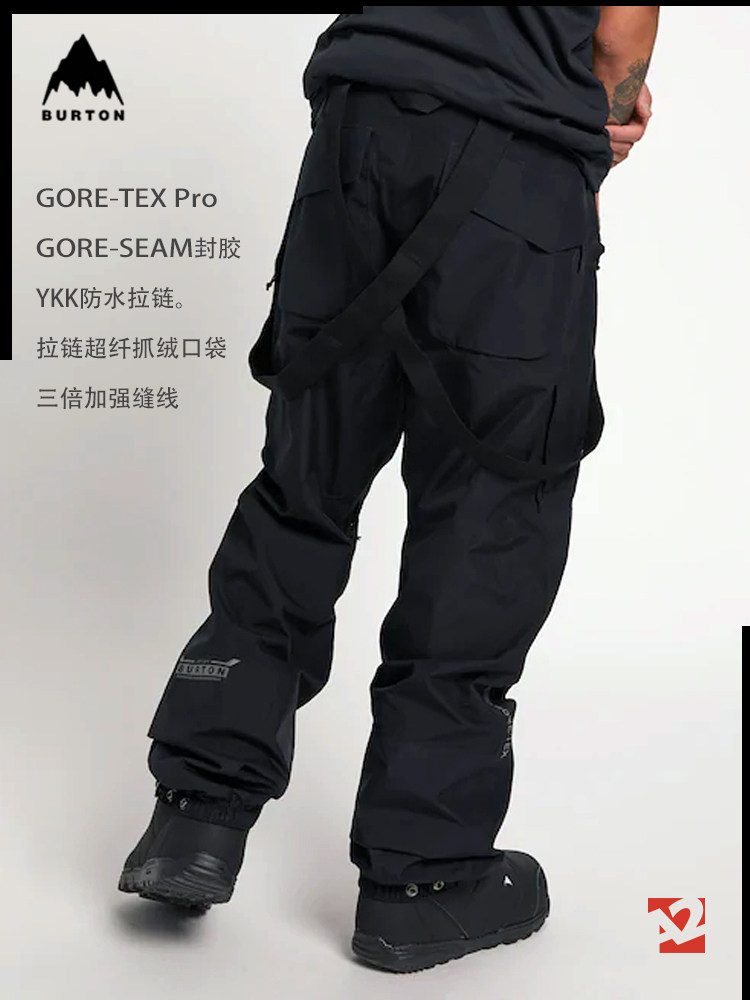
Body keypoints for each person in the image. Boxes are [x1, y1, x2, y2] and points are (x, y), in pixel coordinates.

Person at [119, 7, 659, 973]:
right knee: (490, 516)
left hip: (353, 141)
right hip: (516, 157)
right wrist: (602, 108)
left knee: (304, 486)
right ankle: (424, 876)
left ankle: (195, 815)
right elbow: (619, 35)